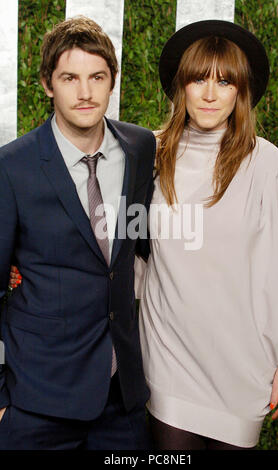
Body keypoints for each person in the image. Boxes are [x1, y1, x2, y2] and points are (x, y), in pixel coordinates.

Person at [134, 20, 278, 450]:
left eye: (225, 82)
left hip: (245, 363)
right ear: (181, 87)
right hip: (170, 357)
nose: (210, 94)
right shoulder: (148, 155)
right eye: (198, 79)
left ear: (240, 92)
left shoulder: (267, 164)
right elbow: (117, 242)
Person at [0, 16, 155, 450]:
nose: (85, 92)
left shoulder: (140, 148)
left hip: (121, 399)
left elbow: (135, 243)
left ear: (112, 82)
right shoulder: (11, 167)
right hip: (37, 401)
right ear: (49, 85)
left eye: (97, 77)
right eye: (70, 77)